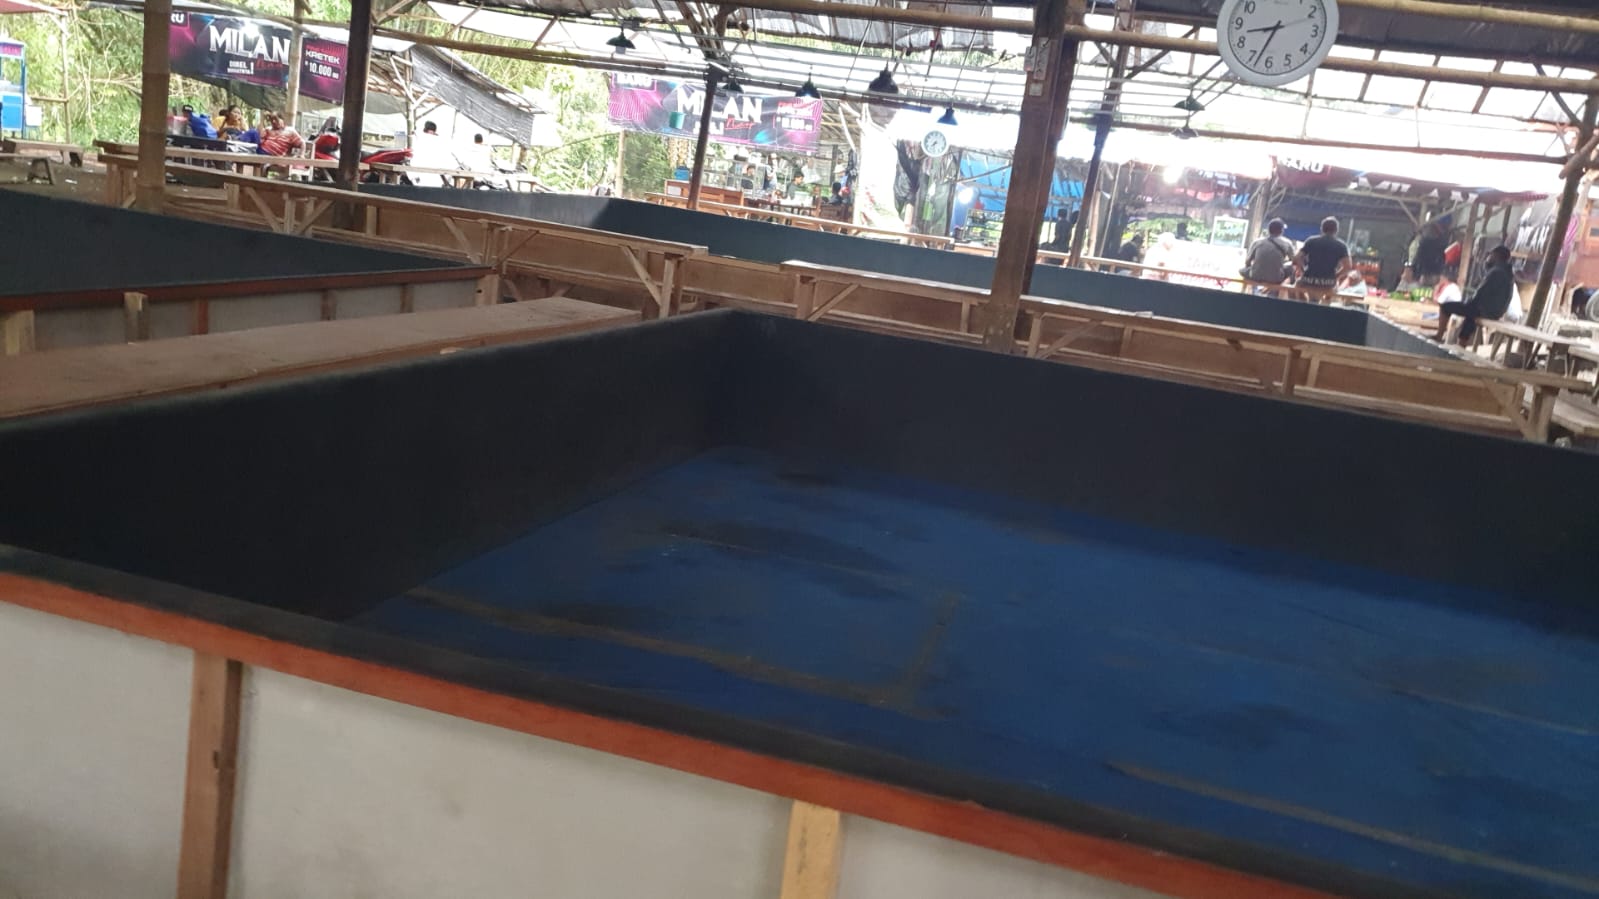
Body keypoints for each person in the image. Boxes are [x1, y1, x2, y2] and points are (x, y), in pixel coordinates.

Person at [1434, 246, 1514, 345]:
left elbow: (1481, 293)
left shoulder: (1496, 272)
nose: (1488, 257)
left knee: (1446, 307)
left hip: (1486, 310)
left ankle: (1439, 336)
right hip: (1496, 312)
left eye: (1491, 255)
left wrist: (1468, 303)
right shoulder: (1508, 273)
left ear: (1497, 255)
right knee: (1470, 314)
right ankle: (1461, 343)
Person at [1294, 216, 1351, 304]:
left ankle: (1304, 304)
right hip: (1328, 283)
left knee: (1297, 285)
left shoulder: (1311, 241)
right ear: (1336, 230)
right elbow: (1348, 267)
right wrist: (1335, 277)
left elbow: (1297, 258)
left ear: (1322, 228)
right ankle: (1325, 305)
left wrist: (1302, 271)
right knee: (1335, 287)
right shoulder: (1341, 245)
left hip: (1308, 280)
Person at [1244, 218, 1294, 295]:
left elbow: (1247, 261)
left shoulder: (1257, 242)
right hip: (1276, 278)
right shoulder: (1287, 243)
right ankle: (1277, 292)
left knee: (1243, 270)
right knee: (1291, 269)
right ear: (1281, 230)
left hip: (1255, 276)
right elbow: (1294, 261)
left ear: (1268, 230)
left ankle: (1247, 291)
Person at [1413, 221, 1448, 285]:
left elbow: (1418, 257)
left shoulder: (1424, 243)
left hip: (1427, 272)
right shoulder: (1439, 243)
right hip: (1433, 272)